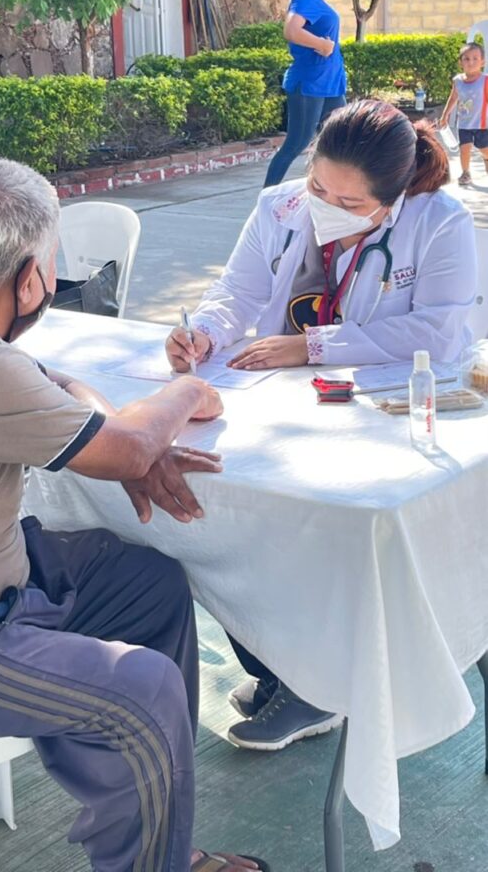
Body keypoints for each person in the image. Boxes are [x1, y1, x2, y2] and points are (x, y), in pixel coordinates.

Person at [0, 158, 271, 872]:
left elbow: (57, 390)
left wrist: (124, 445)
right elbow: (131, 441)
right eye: (48, 269)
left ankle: (143, 832)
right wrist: (183, 397)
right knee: (143, 692)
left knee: (144, 581)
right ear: (27, 280)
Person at [166, 99, 477, 751]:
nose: (325, 206)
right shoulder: (279, 207)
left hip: (377, 413)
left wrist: (313, 345)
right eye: (317, 187)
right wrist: (203, 332)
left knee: (322, 535)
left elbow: (442, 333)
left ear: (393, 197)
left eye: (351, 202)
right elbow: (238, 293)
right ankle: (286, 669)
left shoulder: (439, 221)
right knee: (236, 519)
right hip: (281, 405)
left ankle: (320, 687)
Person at [263, 0, 347, 189]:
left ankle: (327, 192)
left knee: (339, 141)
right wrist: (321, 44)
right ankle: (267, 198)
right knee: (296, 143)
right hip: (310, 83)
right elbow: (291, 30)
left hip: (330, 84)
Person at [439, 41, 488, 186]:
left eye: (475, 58)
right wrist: (445, 115)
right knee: (464, 149)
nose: (471, 62)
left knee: (484, 149)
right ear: (460, 62)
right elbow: (454, 97)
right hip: (464, 124)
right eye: (466, 59)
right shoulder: (458, 81)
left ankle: (485, 158)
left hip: (483, 124)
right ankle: (465, 173)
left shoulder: (485, 81)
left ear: (482, 62)